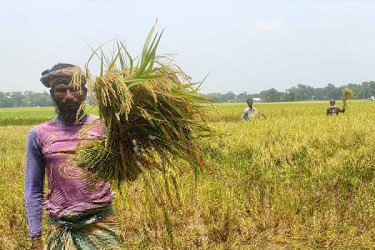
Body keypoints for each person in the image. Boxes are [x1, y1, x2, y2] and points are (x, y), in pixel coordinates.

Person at [24, 63, 120, 249]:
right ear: (52, 95)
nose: (68, 96)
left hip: (100, 222)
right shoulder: (39, 134)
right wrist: (36, 237)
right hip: (61, 225)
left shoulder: (104, 128)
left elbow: (129, 170)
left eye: (74, 89)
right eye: (61, 90)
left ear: (84, 93)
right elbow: (33, 190)